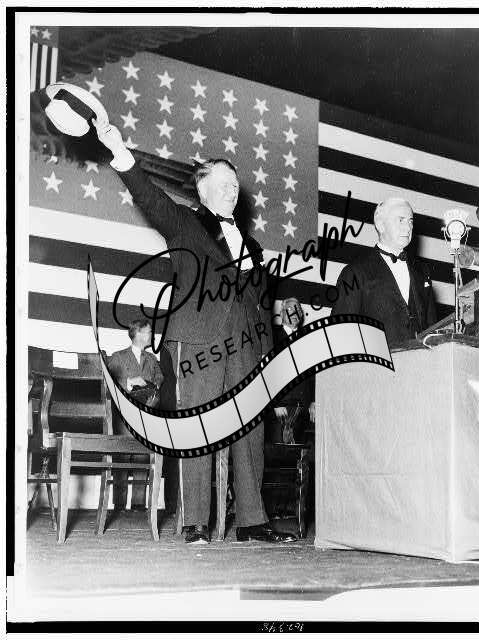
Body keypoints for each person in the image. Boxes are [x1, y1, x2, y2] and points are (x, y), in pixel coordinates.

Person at [94, 118, 296, 545]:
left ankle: (252, 520)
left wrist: (267, 352)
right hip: (197, 340)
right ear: (203, 191)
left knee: (250, 431)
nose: (232, 190)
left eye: (235, 184)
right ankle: (195, 520)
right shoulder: (186, 224)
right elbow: (149, 197)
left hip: (247, 347)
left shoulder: (253, 247)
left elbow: (261, 305)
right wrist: (120, 152)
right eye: (222, 184)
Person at [330, 198, 437, 343]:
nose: (408, 228)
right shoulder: (354, 272)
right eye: (401, 220)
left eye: (410, 221)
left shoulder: (422, 272)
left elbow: (432, 330)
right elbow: (341, 334)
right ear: (380, 225)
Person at [108, 319, 164, 511]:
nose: (152, 335)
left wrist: (154, 388)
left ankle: (138, 503)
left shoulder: (152, 359)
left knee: (142, 456)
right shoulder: (118, 357)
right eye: (149, 332)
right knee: (122, 455)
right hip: (124, 414)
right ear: (138, 334)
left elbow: (159, 378)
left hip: (146, 412)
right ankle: (119, 504)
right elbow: (108, 380)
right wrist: (130, 382)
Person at [268, 298, 315, 445]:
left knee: (301, 455)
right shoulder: (271, 336)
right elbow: (267, 373)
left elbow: (312, 374)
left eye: (298, 309)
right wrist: (276, 403)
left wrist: (314, 401)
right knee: (278, 454)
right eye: (289, 309)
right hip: (281, 409)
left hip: (303, 410)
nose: (294, 313)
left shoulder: (308, 339)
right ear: (281, 314)